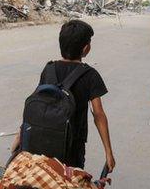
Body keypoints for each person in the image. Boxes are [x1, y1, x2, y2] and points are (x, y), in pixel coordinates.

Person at [11, 20, 116, 173]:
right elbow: (98, 115)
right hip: (72, 147)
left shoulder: (49, 69)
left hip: (39, 141)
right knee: (69, 185)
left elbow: (39, 102)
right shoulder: (90, 75)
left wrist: (20, 135)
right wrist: (108, 152)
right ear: (86, 49)